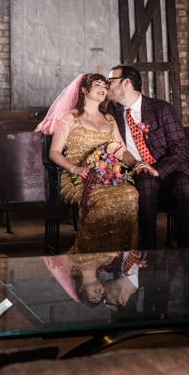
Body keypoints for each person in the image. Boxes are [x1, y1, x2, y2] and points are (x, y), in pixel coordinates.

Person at [36, 73, 139, 254]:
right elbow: (54, 152)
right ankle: (86, 255)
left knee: (130, 193)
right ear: (84, 90)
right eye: (97, 85)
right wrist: (75, 168)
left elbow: (121, 151)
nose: (103, 89)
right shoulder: (69, 117)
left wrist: (138, 164)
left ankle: (119, 254)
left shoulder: (110, 119)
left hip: (106, 177)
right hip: (76, 178)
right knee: (105, 199)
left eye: (106, 87)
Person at [104, 65, 189, 249]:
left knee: (185, 185)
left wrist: (158, 169)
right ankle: (148, 249)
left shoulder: (161, 109)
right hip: (138, 171)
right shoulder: (111, 112)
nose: (107, 86)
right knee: (145, 181)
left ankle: (186, 248)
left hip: (171, 170)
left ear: (127, 83)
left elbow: (181, 148)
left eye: (111, 81)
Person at [43, 252, 118, 307]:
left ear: (81, 289)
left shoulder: (71, 264)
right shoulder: (107, 262)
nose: (99, 295)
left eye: (94, 298)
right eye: (102, 296)